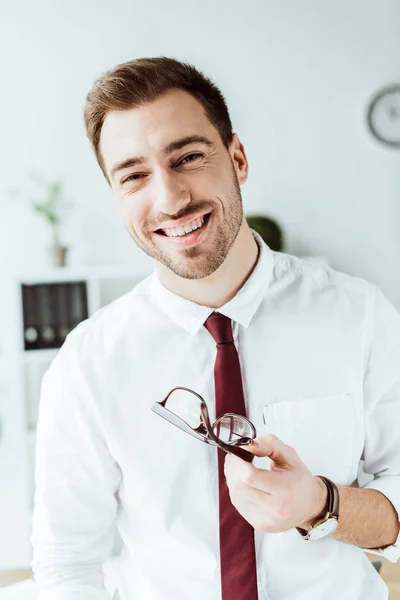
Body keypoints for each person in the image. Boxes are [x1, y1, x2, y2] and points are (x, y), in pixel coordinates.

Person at [31, 56, 400, 600]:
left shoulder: (359, 314)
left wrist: (320, 504)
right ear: (115, 196)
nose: (170, 198)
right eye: (134, 175)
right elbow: (67, 563)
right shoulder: (89, 362)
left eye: (188, 157)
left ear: (238, 158)